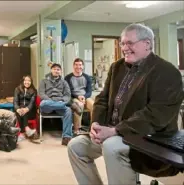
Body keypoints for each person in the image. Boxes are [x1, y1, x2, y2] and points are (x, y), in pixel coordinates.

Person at [67, 23, 184, 185]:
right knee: (75, 146)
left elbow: (155, 115)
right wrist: (96, 123)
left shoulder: (167, 72)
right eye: (122, 43)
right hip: (111, 131)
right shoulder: (117, 67)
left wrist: (115, 131)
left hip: (148, 138)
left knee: (111, 146)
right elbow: (102, 99)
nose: (124, 48)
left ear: (147, 44)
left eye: (130, 43)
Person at [39, 63, 73, 146]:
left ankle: (66, 138)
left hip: (60, 105)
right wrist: (51, 101)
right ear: (51, 70)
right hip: (47, 104)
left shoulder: (64, 82)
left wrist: (62, 101)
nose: (56, 71)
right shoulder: (44, 81)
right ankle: (60, 105)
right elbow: (41, 94)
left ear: (60, 71)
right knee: (42, 103)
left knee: (68, 110)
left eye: (58, 69)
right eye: (54, 69)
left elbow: (68, 95)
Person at [64, 58, 94, 135]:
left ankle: (93, 129)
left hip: (85, 97)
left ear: (83, 66)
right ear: (73, 66)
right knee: (79, 105)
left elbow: (89, 91)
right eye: (76, 65)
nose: (78, 67)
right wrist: (78, 97)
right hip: (74, 97)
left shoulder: (87, 77)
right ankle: (77, 130)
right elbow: (68, 92)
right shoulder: (68, 77)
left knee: (94, 106)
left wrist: (84, 97)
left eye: (80, 65)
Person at [13, 75, 39, 141]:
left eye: (29, 81)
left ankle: (22, 133)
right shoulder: (17, 89)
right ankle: (27, 129)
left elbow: (32, 103)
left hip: (31, 111)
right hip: (20, 111)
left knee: (23, 110)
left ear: (31, 82)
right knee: (20, 110)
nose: (27, 82)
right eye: (25, 80)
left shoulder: (34, 90)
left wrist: (27, 109)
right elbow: (15, 101)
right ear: (23, 81)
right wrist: (18, 109)